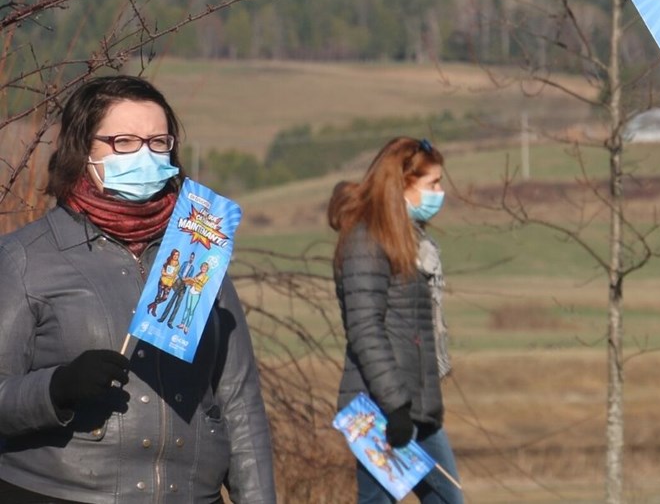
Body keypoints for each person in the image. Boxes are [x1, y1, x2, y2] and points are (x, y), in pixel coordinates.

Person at [0, 74, 276, 502]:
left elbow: (239, 401)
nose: (144, 155)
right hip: (62, 492)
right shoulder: (26, 257)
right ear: (82, 149)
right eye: (124, 142)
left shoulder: (197, 253)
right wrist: (56, 389)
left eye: (158, 142)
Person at [330, 137, 462, 504]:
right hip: (380, 409)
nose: (440, 192)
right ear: (401, 184)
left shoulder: (409, 243)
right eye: (432, 184)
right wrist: (396, 407)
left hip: (414, 405)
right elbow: (364, 328)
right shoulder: (366, 242)